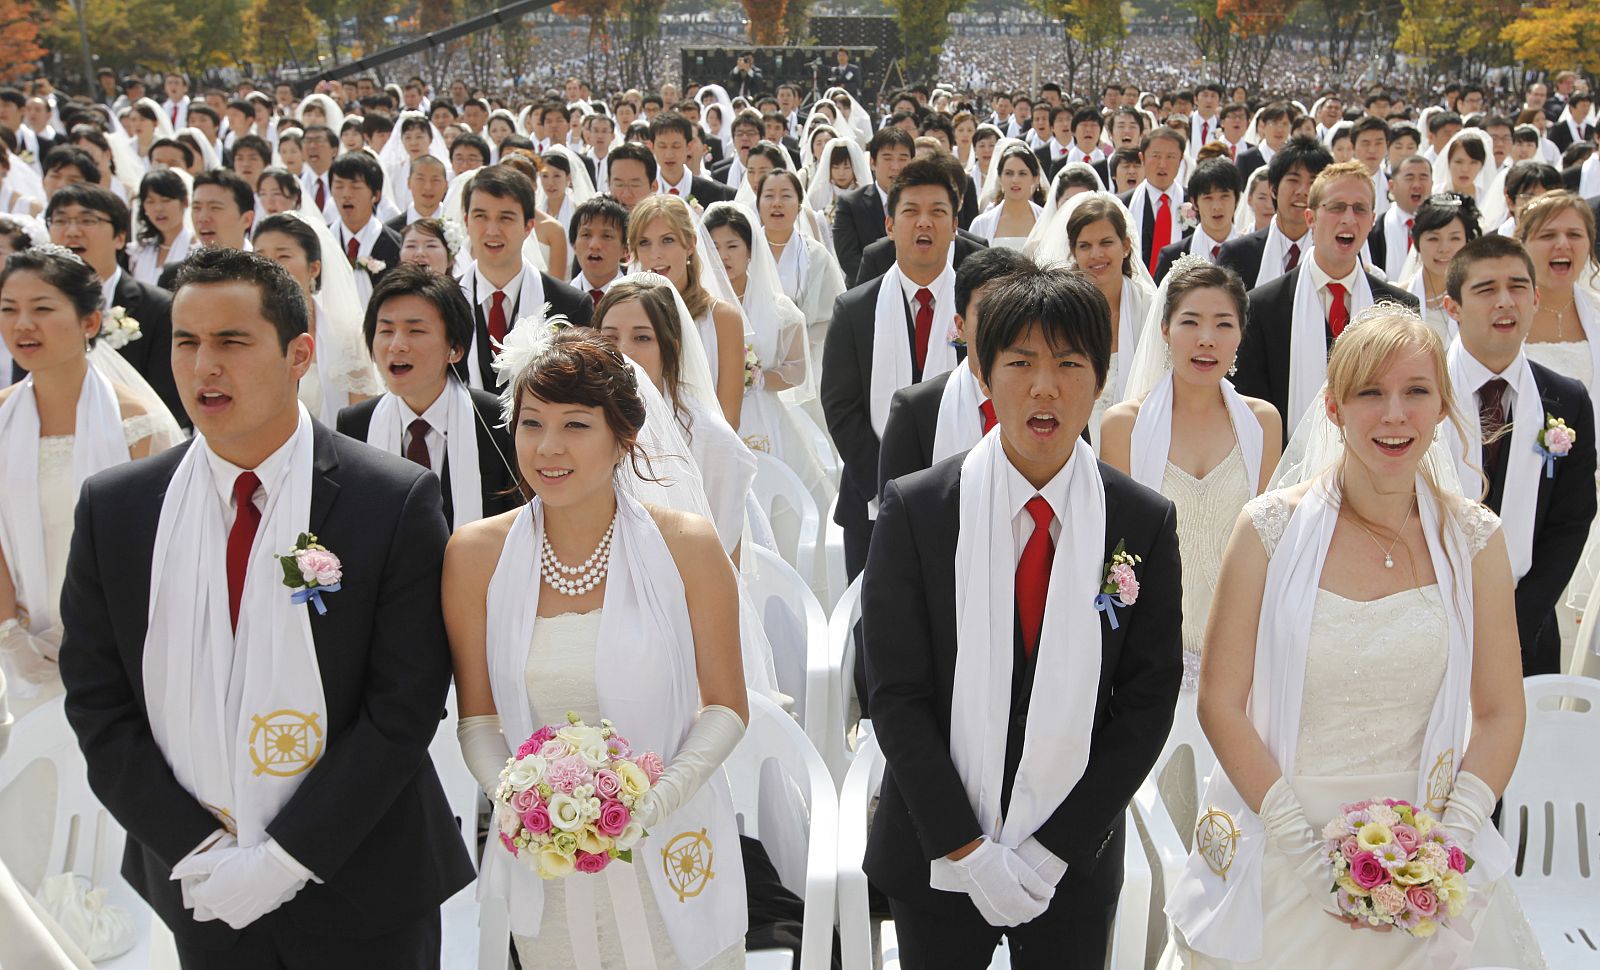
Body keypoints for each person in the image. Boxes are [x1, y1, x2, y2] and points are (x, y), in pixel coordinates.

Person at [58, 247, 475, 968]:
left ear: (299, 353)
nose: (203, 365)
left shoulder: (392, 500)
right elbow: (99, 703)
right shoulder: (118, 508)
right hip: (203, 887)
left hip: (364, 883)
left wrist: (285, 859)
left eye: (232, 341)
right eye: (187, 342)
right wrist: (198, 849)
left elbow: (402, 706)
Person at [1166, 306, 1543, 970]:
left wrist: (1445, 849)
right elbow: (1220, 703)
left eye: (1416, 391)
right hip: (1285, 838)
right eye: (1370, 392)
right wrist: (1306, 855)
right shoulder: (1266, 531)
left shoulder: (1475, 540)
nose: (1393, 414)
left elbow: (1501, 711)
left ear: (1441, 408)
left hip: (1426, 842)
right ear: (1335, 409)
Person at [863, 265, 1182, 970]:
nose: (1045, 387)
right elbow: (895, 694)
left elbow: (1146, 701)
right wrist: (968, 851)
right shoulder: (917, 511)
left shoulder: (1140, 521)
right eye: (1020, 362)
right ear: (982, 373)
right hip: (934, 851)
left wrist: (1051, 850)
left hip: (1072, 861)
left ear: (1100, 378)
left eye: (1069, 363)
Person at [446, 324, 749, 969]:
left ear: (624, 437)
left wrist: (650, 802)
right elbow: (477, 719)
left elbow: (726, 707)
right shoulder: (475, 556)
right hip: (546, 862)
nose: (548, 448)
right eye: (531, 424)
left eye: (576, 425)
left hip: (671, 843)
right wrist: (529, 801)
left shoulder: (689, 546)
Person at [0, 245, 179, 718]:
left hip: (118, 647)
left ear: (90, 322)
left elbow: (159, 549)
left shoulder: (137, 425)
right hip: (18, 650)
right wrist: (8, 633)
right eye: (8, 310)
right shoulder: (1, 414)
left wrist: (89, 627)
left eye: (42, 309)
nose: (22, 325)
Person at [1441, 234, 1596, 676]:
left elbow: (1570, 521)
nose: (1504, 302)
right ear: (1453, 308)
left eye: (1517, 287)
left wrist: (1515, 619)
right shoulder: (1420, 391)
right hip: (1425, 616)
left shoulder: (1566, 400)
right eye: (1486, 290)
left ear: (1536, 299)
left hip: (1526, 628)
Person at [822, 157, 963, 582]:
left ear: (955, 225)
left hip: (963, 495)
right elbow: (841, 408)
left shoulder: (980, 308)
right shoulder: (855, 308)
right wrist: (886, 488)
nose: (925, 223)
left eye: (938, 212)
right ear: (889, 225)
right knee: (875, 633)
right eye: (911, 212)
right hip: (870, 499)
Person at [1233, 160, 1418, 438]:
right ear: (1311, 218)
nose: (1348, 218)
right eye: (1336, 207)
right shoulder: (1262, 306)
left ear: (1372, 220)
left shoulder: (1399, 308)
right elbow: (1252, 411)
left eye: (1359, 209)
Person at [337, 265, 517, 529]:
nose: (397, 345)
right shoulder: (355, 425)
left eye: (415, 331)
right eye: (386, 331)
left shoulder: (498, 421)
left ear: (454, 349)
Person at [594, 273, 756, 557]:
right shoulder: (579, 424)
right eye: (610, 337)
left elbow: (726, 556)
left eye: (642, 337)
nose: (624, 351)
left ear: (670, 349)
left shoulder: (713, 441)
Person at [877, 245, 1034, 494]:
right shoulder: (916, 410)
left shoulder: (1057, 399)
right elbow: (898, 516)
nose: (1002, 326)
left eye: (1014, 311)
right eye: (988, 312)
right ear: (960, 325)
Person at [39, 184, 184, 425]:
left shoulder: (159, 308)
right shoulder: (34, 309)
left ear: (119, 237)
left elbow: (171, 404)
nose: (72, 231)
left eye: (87, 220)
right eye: (61, 220)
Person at [455, 165, 592, 390]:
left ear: (529, 226)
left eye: (505, 218)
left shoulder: (570, 306)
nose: (492, 230)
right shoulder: (443, 301)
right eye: (480, 216)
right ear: (466, 221)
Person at [251, 212, 382, 426]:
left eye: (283, 256)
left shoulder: (345, 336)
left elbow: (360, 421)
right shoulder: (242, 334)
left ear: (314, 268)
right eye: (261, 256)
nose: (269, 266)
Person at [626, 194, 744, 429]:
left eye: (667, 240)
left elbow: (729, 418)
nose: (655, 254)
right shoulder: (623, 315)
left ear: (690, 244)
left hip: (706, 456)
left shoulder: (723, 318)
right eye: (644, 243)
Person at [757, 168, 846, 360]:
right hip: (754, 356)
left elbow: (833, 314)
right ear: (758, 204)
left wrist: (794, 342)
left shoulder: (816, 255)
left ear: (799, 206)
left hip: (807, 356)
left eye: (786, 196)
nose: (777, 203)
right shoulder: (746, 252)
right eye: (769, 196)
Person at [1218, 136, 1331, 289]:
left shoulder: (1334, 252)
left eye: (1313, 182)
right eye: (1293, 180)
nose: (1303, 191)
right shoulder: (1237, 254)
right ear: (1274, 189)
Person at [1516, 191, 1598, 395]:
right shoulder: (1500, 312)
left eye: (1574, 235)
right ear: (1523, 246)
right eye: (1548, 235)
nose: (1562, 244)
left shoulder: (1596, 310)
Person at [832, 127, 914, 284]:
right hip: (867, 294)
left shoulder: (923, 206)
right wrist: (890, 287)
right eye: (887, 158)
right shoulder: (851, 204)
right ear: (872, 162)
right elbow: (849, 259)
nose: (895, 166)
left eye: (903, 158)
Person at [1398, 193, 1482, 339]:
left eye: (1454, 238)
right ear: (1417, 243)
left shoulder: (1479, 300)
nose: (1444, 248)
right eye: (1433, 238)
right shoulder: (1396, 298)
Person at [328, 151, 402, 309]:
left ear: (376, 195)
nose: (346, 194)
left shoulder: (395, 245)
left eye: (355, 187)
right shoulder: (322, 240)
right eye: (339, 186)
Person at [1153, 159, 1241, 282]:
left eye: (1224, 196)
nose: (1217, 206)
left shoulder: (1254, 252)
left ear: (1236, 198)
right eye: (1208, 198)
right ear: (1194, 202)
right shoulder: (1173, 257)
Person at [1120, 128, 1187, 271]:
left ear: (1181, 159)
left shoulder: (1193, 202)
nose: (1162, 164)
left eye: (1170, 157)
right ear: (1142, 158)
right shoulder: (1122, 204)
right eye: (1156, 156)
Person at [1368, 155, 1434, 282]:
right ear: (1392, 186)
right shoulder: (1376, 229)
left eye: (1423, 177)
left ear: (1432, 184)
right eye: (1409, 178)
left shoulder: (1442, 227)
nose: (1417, 185)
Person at [970, 142, 1045, 252]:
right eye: (1009, 173)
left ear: (1035, 178)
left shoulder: (1044, 220)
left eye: (1022, 173)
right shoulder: (981, 224)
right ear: (1000, 177)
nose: (1015, 180)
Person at [568, 194, 628, 304]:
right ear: (574, 244)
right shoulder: (556, 300)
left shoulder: (637, 302)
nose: (594, 245)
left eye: (607, 236)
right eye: (586, 235)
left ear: (625, 249)